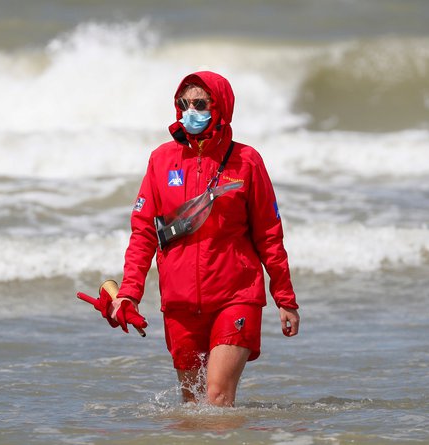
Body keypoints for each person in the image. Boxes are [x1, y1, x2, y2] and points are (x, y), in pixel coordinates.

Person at [111, 71, 300, 407]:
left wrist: (284, 297)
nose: (190, 111)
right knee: (191, 407)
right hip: (180, 303)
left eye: (199, 103)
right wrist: (129, 293)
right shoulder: (161, 160)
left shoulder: (247, 161)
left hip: (236, 295)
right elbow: (143, 233)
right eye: (183, 104)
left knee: (216, 397)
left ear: (220, 107)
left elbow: (269, 233)